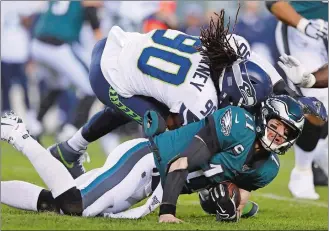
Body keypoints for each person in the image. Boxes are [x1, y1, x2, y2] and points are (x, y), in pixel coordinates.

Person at [1, 94, 305, 222]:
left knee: (56, 204)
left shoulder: (269, 167)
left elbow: (239, 191)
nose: (278, 133)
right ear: (264, 118)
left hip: (151, 184)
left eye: (285, 130)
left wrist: (232, 209)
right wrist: (168, 211)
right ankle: (19, 134)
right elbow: (181, 163)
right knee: (74, 206)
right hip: (148, 160)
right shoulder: (237, 124)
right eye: (275, 124)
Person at [267, 0, 328, 199]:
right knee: (315, 103)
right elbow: (273, 2)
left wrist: (311, 80)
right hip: (302, 30)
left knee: (322, 100)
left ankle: (320, 149)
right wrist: (303, 24)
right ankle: (302, 171)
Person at [30, 1, 103, 140]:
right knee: (91, 89)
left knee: (57, 85)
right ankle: (70, 132)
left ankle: (35, 124)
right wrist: (101, 38)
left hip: (37, 44)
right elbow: (91, 12)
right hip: (58, 46)